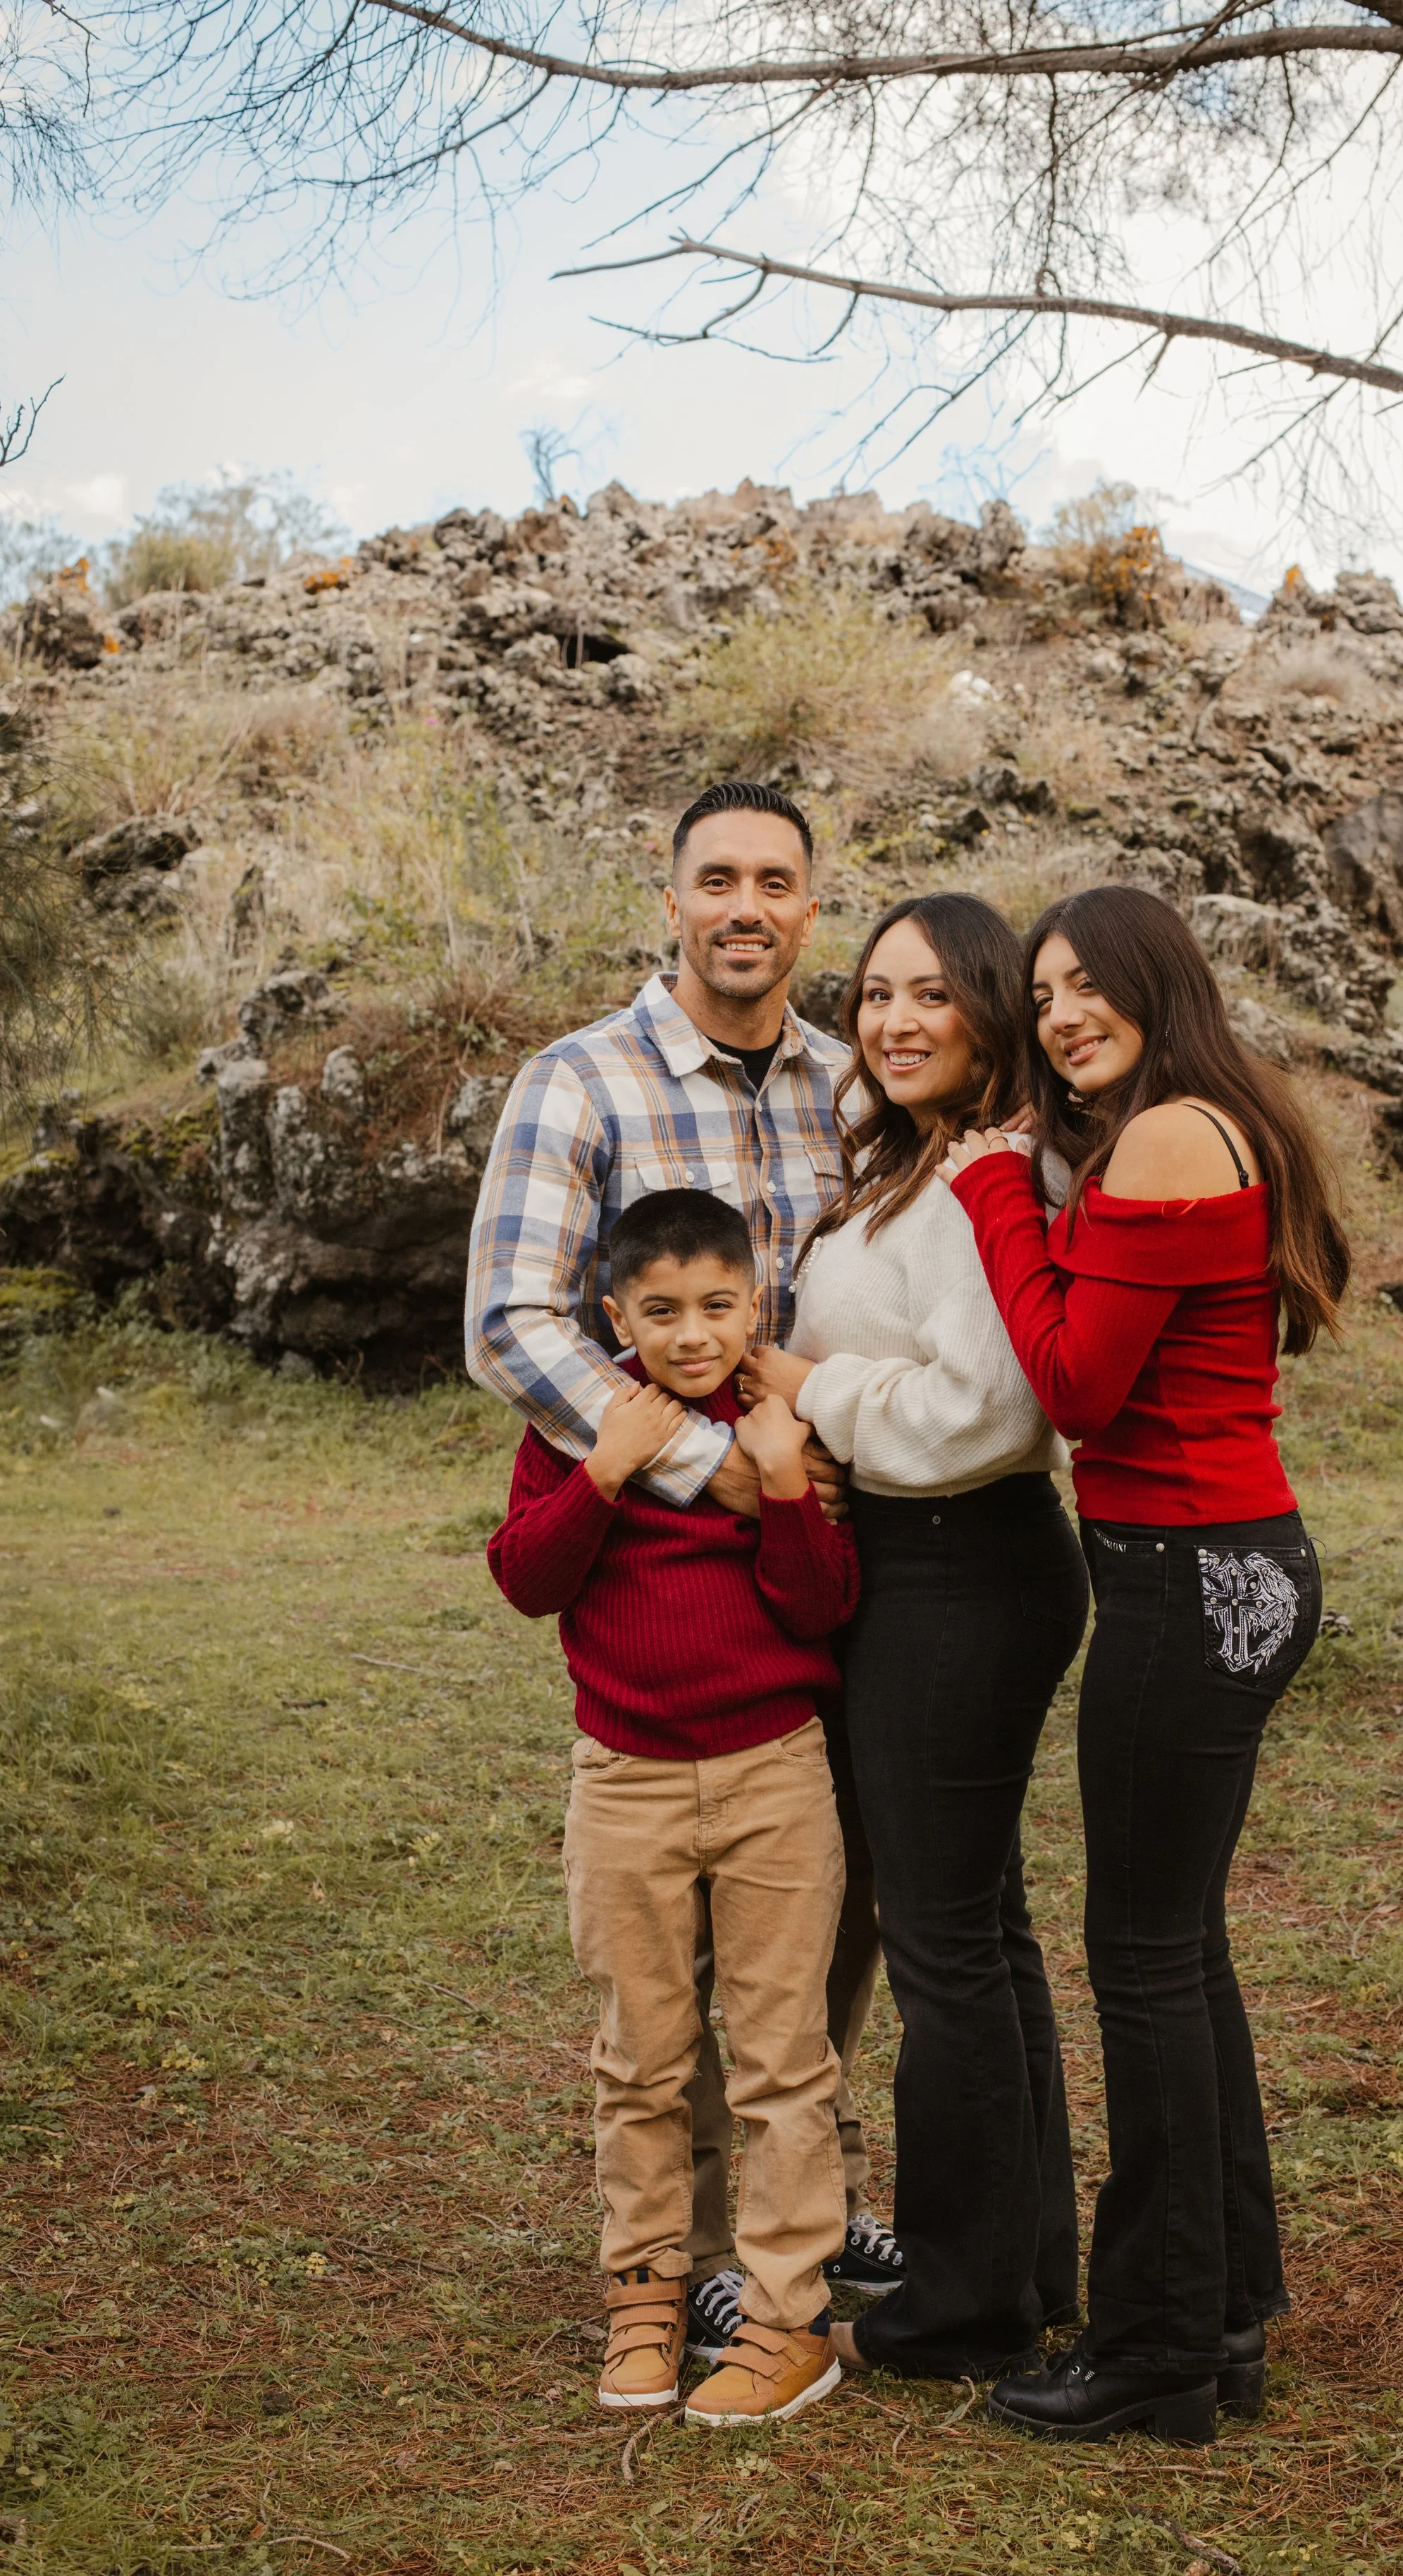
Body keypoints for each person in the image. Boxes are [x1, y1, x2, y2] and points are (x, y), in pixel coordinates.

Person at [464, 779, 901, 2348]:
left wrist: (830, 1474)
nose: (743, 905)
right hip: (710, 1545)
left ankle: (806, 2206)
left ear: (807, 903)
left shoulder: (851, 1086)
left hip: (844, 1549)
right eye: (713, 877)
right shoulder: (576, 1083)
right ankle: (693, 2245)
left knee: (822, 1907)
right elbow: (511, 1322)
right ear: (669, 899)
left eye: (774, 880)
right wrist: (727, 1475)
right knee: (665, 1970)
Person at [939, 882, 1349, 2447]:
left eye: (1085, 984)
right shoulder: (1199, 1126)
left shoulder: (1170, 1136)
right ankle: (1224, 2310)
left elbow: (1076, 1388)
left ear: (1155, 986)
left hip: (1188, 1579)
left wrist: (989, 1197)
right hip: (1224, 1567)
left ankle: (1157, 2350)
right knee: (1179, 1953)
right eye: (1039, 993)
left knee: (1142, 1962)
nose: (1057, 1014)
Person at [741, 893, 1089, 2379]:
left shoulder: (984, 1183)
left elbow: (985, 1412)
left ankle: (957, 2306)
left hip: (956, 1565)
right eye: (873, 992)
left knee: (943, 1947)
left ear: (991, 1013)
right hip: (927, 1565)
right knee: (979, 1932)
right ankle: (1018, 2264)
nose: (890, 1021)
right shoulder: (918, 1167)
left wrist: (803, 1389)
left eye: (929, 995)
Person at [486, 1189, 860, 2427]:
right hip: (626, 1779)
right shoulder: (580, 1421)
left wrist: (788, 1485)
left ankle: (785, 2311)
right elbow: (528, 1580)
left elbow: (821, 1607)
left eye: (716, 1306)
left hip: (773, 1774)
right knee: (640, 2054)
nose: (692, 1333)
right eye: (660, 1311)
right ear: (614, 1316)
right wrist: (604, 1467)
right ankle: (646, 2288)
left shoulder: (775, 1423)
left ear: (758, 1304)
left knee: (781, 2058)